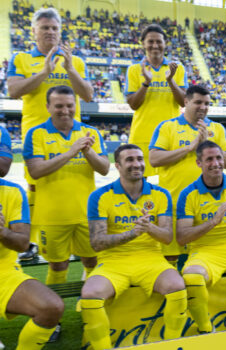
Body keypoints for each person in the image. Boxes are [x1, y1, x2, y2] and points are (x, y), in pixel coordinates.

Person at [7, 6, 93, 262]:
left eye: (54, 28)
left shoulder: (75, 61)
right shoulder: (21, 58)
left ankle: (73, 234)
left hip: (70, 133)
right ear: (34, 31)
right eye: (44, 28)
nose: (50, 32)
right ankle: (31, 241)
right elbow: (13, 91)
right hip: (37, 133)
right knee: (35, 184)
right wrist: (44, 71)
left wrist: (69, 69)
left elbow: (87, 95)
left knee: (73, 180)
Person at [81, 144, 187, 350]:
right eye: (129, 160)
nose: (136, 164)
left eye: (140, 159)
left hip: (151, 260)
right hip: (113, 262)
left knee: (177, 286)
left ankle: (173, 344)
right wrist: (132, 233)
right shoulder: (100, 196)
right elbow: (97, 242)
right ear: (118, 166)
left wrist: (149, 228)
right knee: (90, 294)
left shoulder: (160, 194)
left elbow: (167, 237)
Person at [23, 85, 109, 285]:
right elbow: (36, 171)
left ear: (75, 105)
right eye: (58, 106)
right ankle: (53, 313)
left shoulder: (89, 132)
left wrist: (88, 152)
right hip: (52, 215)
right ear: (48, 107)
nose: (65, 110)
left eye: (70, 105)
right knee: (58, 265)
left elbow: (104, 168)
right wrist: (71, 152)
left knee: (92, 259)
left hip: (86, 213)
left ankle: (89, 303)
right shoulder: (36, 134)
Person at [149, 85, 226, 263]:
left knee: (203, 256)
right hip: (172, 204)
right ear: (186, 102)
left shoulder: (217, 129)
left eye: (207, 103)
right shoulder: (167, 127)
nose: (203, 107)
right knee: (171, 257)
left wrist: (206, 144)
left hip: (205, 208)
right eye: (198, 102)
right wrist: (190, 147)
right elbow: (154, 159)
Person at [176, 141, 226, 334]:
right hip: (206, 251)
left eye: (218, 158)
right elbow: (182, 238)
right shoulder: (188, 194)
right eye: (209, 159)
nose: (216, 163)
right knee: (192, 277)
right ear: (199, 163)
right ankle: (206, 329)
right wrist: (213, 222)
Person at [0, 177, 65, 350]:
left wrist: (2, 231)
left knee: (52, 307)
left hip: (4, 270)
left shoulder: (12, 191)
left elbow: (22, 244)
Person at [125, 24, 187, 177]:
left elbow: (184, 102)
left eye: (159, 41)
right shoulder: (134, 69)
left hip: (171, 136)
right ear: (143, 43)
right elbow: (133, 104)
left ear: (165, 43)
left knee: (171, 183)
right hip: (141, 136)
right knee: (139, 184)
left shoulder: (177, 68)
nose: (155, 45)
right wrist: (146, 82)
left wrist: (170, 80)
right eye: (150, 41)